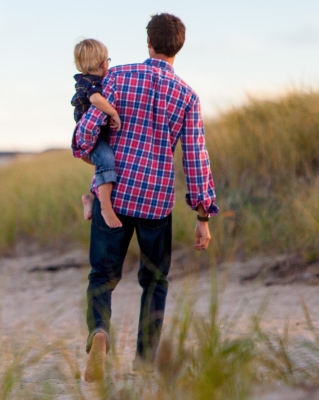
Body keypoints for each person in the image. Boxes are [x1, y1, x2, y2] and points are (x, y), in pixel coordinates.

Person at [72, 13, 218, 381]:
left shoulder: (118, 76)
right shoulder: (187, 95)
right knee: (154, 282)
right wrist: (202, 217)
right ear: (178, 47)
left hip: (115, 197)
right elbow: (196, 157)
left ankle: (99, 333)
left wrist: (86, 148)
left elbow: (86, 132)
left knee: (102, 277)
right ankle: (144, 364)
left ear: (148, 43)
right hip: (156, 203)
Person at [71, 39, 123, 228]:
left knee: (104, 163)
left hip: (96, 135)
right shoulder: (90, 83)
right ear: (103, 63)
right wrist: (113, 112)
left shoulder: (88, 80)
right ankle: (105, 208)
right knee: (107, 160)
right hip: (90, 137)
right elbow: (95, 99)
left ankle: (91, 197)